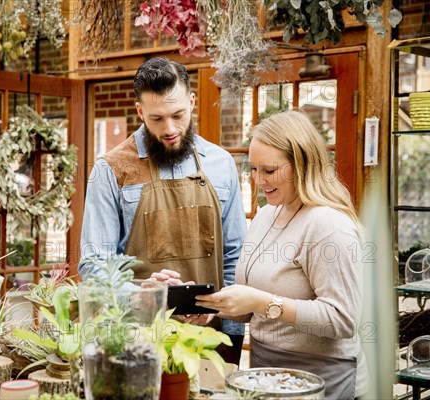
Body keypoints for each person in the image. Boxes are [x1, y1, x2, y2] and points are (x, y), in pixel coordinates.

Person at [78, 57, 248, 364]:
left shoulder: (221, 164)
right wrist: (143, 293)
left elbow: (235, 257)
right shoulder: (112, 169)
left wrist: (232, 334)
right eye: (156, 118)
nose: (169, 129)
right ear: (140, 111)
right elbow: (94, 266)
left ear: (192, 103)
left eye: (178, 115)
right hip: (136, 342)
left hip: (210, 341)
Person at [194, 110, 369, 399]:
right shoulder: (266, 215)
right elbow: (257, 306)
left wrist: (261, 301)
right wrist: (213, 308)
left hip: (321, 377)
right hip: (265, 374)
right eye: (253, 168)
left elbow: (343, 319)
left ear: (301, 164)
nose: (259, 180)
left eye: (269, 170)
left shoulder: (327, 224)